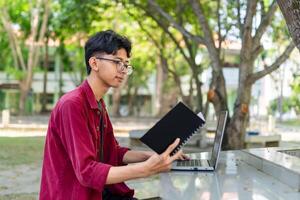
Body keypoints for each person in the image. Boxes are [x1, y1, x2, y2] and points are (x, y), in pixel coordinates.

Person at [39, 30, 188, 200]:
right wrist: (147, 169)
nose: (123, 70)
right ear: (94, 63)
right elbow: (87, 172)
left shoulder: (99, 103)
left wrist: (152, 157)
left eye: (126, 64)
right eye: (117, 62)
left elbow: (113, 152)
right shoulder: (72, 104)